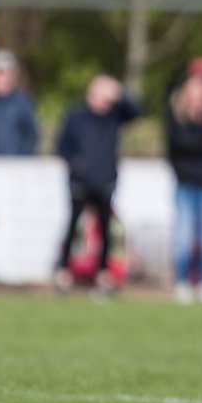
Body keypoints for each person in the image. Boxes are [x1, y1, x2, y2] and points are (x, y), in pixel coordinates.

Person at [54, 75, 142, 295]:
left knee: (105, 230)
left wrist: (119, 93)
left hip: (105, 181)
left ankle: (104, 275)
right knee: (73, 226)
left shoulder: (114, 116)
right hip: (80, 182)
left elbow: (136, 112)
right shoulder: (76, 117)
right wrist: (75, 165)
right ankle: (63, 272)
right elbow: (62, 146)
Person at [166, 73, 202, 305]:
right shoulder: (176, 119)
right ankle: (182, 282)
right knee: (183, 235)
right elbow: (176, 149)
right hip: (185, 184)